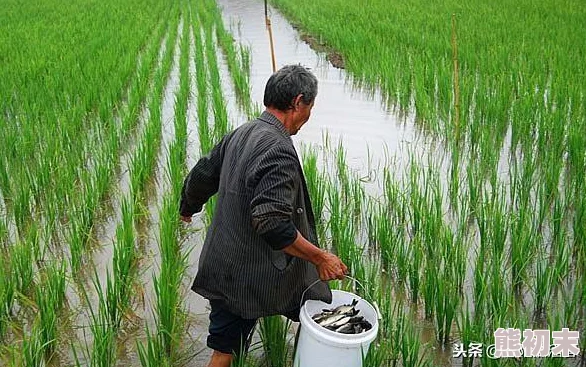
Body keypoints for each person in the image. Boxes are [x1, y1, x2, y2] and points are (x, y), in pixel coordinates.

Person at [179, 64, 348, 367]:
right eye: (310, 106)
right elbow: (273, 224)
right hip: (241, 275)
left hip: (225, 262)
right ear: (298, 102)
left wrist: (188, 207)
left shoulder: (242, 133)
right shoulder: (278, 149)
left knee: (231, 342)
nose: (309, 116)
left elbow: (203, 174)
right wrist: (321, 257)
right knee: (224, 350)